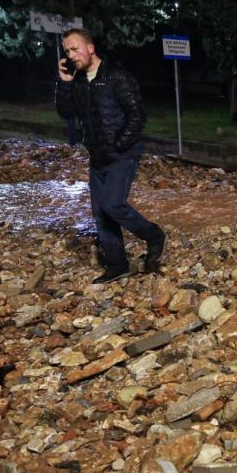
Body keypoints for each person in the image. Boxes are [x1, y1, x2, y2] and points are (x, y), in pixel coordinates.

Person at [55, 28, 165, 284]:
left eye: (75, 49)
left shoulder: (116, 77)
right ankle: (118, 264)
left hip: (122, 153)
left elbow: (137, 115)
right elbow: (66, 112)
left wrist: (118, 144)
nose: (71, 55)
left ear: (90, 48)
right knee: (100, 212)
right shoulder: (78, 81)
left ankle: (154, 236)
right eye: (67, 51)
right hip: (97, 156)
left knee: (112, 204)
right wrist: (65, 83)